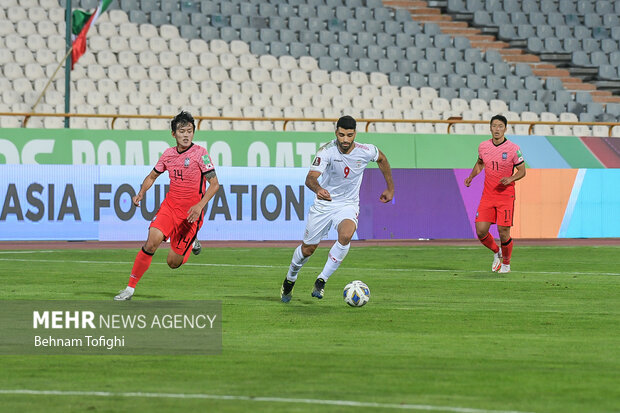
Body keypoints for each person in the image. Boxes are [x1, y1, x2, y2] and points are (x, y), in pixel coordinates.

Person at [280, 115, 394, 303]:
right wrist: (318, 189)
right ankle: (290, 279)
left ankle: (321, 280)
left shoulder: (366, 151)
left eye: (349, 135)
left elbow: (382, 159)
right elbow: (310, 178)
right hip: (325, 204)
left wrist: (390, 188)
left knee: (346, 235)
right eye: (341, 135)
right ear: (336, 133)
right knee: (308, 249)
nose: (345, 140)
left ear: (355, 134)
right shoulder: (326, 151)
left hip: (347, 205)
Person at [114, 111, 220, 300]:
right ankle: (129, 288)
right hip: (170, 208)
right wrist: (141, 192)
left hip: (190, 215)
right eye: (181, 131)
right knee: (151, 242)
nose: (186, 135)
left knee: (173, 262)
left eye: (189, 131)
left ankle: (191, 243)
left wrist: (199, 205)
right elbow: (153, 175)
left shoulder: (201, 154)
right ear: (174, 134)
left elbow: (214, 184)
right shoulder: (168, 155)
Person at [464, 114, 526, 273]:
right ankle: (496, 252)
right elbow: (480, 163)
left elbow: (522, 171)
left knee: (503, 231)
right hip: (488, 195)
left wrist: (511, 178)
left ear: (505, 128)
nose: (497, 129)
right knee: (480, 230)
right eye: (494, 126)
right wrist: (471, 176)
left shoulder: (513, 149)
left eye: (500, 126)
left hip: (506, 195)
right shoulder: (483, 146)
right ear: (490, 128)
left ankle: (506, 264)